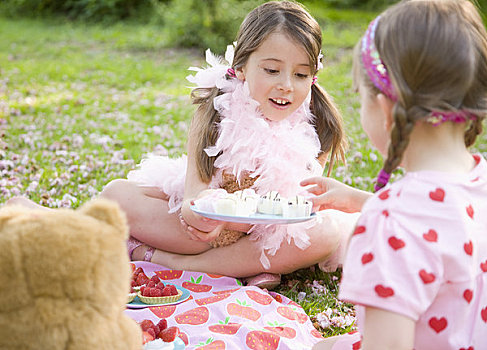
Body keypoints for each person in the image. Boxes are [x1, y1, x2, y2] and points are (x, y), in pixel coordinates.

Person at [100, 1, 360, 289]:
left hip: (267, 236)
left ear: (313, 76)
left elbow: (297, 207)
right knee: (115, 195)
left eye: (300, 75)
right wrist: (202, 218)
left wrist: (247, 222)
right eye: (272, 70)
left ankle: (168, 261)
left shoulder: (319, 125)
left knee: (326, 232)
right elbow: (194, 196)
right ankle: (238, 267)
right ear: (241, 67)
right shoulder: (214, 110)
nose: (286, 85)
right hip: (206, 233)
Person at [306, 0, 487, 348]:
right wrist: (362, 200)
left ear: (386, 108)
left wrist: (377, 211)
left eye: (361, 97)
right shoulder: (478, 185)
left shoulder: (390, 221)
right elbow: (441, 230)